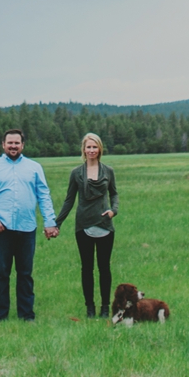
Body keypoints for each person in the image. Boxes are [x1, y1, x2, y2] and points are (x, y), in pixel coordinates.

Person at [0, 128, 58, 321]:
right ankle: (0, 314)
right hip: (2, 229)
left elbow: (43, 196)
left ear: (23, 145)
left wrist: (50, 222)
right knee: (2, 273)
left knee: (25, 274)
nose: (13, 146)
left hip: (27, 228)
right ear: (3, 145)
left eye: (17, 143)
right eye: (10, 143)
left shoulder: (34, 168)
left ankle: (26, 314)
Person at [56, 132, 119, 318]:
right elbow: (69, 201)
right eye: (88, 147)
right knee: (87, 268)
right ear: (83, 149)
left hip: (105, 225)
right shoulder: (76, 173)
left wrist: (113, 210)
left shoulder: (108, 171)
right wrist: (56, 223)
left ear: (100, 149)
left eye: (95, 146)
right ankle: (90, 308)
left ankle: (105, 307)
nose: (91, 150)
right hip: (83, 226)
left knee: (104, 267)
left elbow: (114, 193)